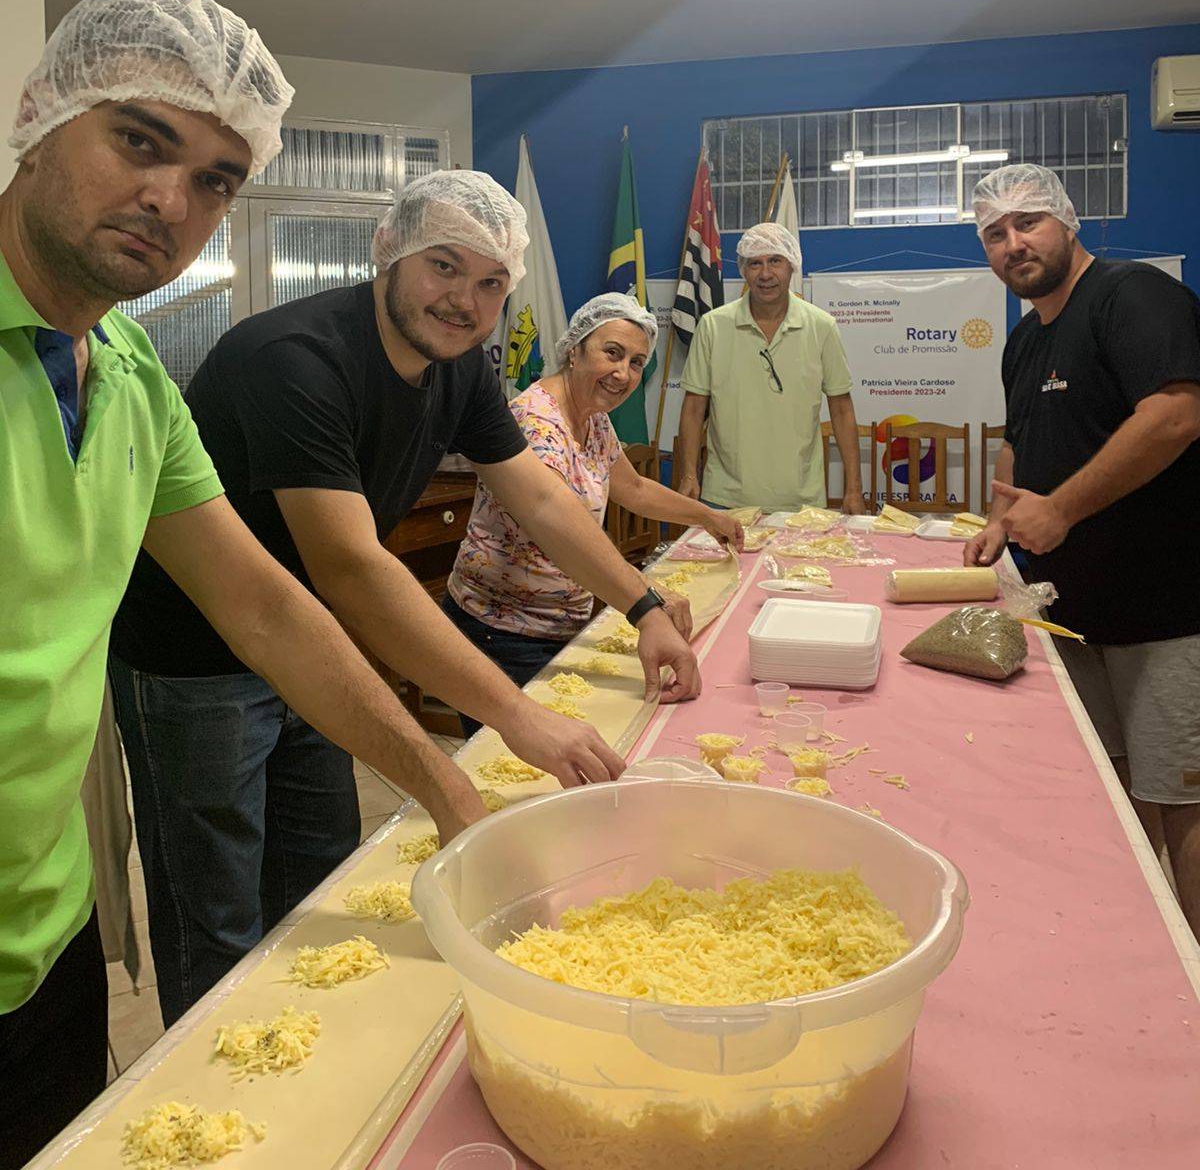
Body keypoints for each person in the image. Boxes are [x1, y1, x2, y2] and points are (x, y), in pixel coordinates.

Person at [0, 0, 496, 1168]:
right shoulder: (283, 361)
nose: (172, 200)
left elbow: (269, 604)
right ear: (36, 115)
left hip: (44, 925)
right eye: (139, 140)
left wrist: (448, 788)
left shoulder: (127, 375)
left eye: (217, 178)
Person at [111, 178, 699, 1026]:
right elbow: (351, 567)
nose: (464, 300)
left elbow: (539, 499)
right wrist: (515, 718)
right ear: (388, 248)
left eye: (491, 282)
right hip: (195, 664)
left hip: (313, 648)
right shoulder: (298, 359)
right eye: (444, 267)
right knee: (219, 915)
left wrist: (643, 606)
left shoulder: (456, 369)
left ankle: (307, 1050)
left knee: (319, 876)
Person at [964, 163, 1200, 936]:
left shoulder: (1132, 296)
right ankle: (1147, 949)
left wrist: (1059, 511)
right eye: (995, 233)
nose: (1013, 243)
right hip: (1070, 611)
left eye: (1028, 222)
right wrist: (1002, 522)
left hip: (1165, 607)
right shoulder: (1024, 341)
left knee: (1183, 799)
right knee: (1115, 790)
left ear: (1069, 222)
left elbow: (1174, 415)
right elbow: (1016, 446)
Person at [444, 293, 744, 730]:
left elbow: (634, 489)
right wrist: (648, 600)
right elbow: (560, 534)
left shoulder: (593, 416)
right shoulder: (538, 424)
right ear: (574, 349)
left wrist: (708, 517)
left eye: (637, 362)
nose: (623, 373)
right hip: (500, 633)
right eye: (613, 353)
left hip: (558, 625)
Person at [675, 221, 866, 514]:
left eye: (775, 261)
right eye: (755, 263)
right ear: (743, 270)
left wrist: (853, 488)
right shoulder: (713, 326)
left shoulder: (821, 326)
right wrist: (689, 475)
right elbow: (693, 407)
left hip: (800, 501)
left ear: (792, 266)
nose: (765, 274)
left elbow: (841, 408)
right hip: (725, 499)